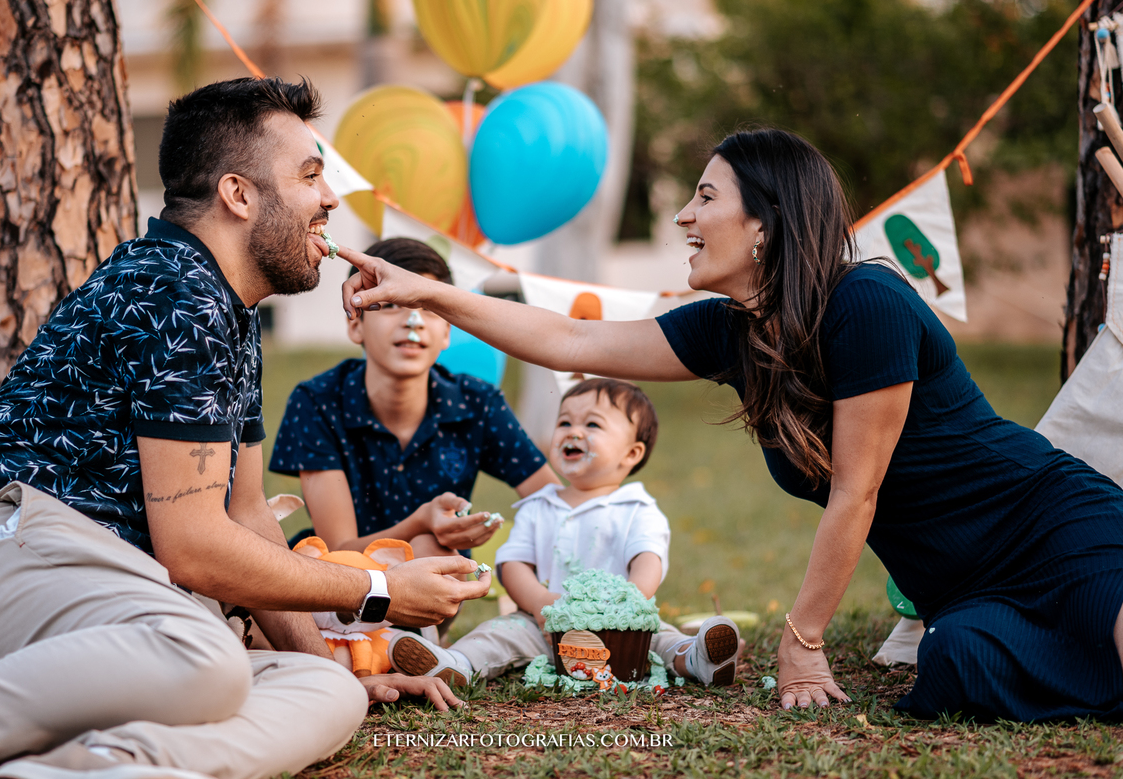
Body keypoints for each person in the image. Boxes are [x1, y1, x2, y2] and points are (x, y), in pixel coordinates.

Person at [334, 127, 1123, 722]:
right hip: (962, 592)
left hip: (1050, 526)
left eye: (706, 197)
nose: (683, 214)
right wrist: (430, 293)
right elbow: (569, 337)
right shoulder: (731, 331)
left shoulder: (868, 303)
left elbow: (858, 490)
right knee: (956, 668)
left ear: (764, 225)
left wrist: (803, 638)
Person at [0, 77, 489, 779]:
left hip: (91, 580)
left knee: (326, 689)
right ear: (239, 194)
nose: (331, 199)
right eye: (310, 175)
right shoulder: (176, 289)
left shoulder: (226, 307)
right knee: (204, 657)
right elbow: (193, 547)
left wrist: (330, 662)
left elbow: (246, 513)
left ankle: (90, 768)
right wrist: (376, 589)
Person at [385, 378, 742, 688]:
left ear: (631, 453)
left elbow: (648, 561)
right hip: (544, 624)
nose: (573, 431)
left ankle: (695, 657)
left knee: (660, 637)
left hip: (621, 626)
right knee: (496, 635)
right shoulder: (538, 506)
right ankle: (457, 665)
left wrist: (623, 608)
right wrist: (540, 606)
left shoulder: (637, 508)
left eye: (593, 425)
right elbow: (514, 565)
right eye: (564, 422)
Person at [268, 238, 558, 561]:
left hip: (438, 580)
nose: (413, 322)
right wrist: (421, 522)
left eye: (429, 309)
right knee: (423, 547)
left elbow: (552, 503)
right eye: (391, 305)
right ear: (355, 324)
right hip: (341, 588)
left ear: (447, 332)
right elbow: (339, 549)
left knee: (433, 551)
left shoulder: (478, 402)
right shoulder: (317, 402)